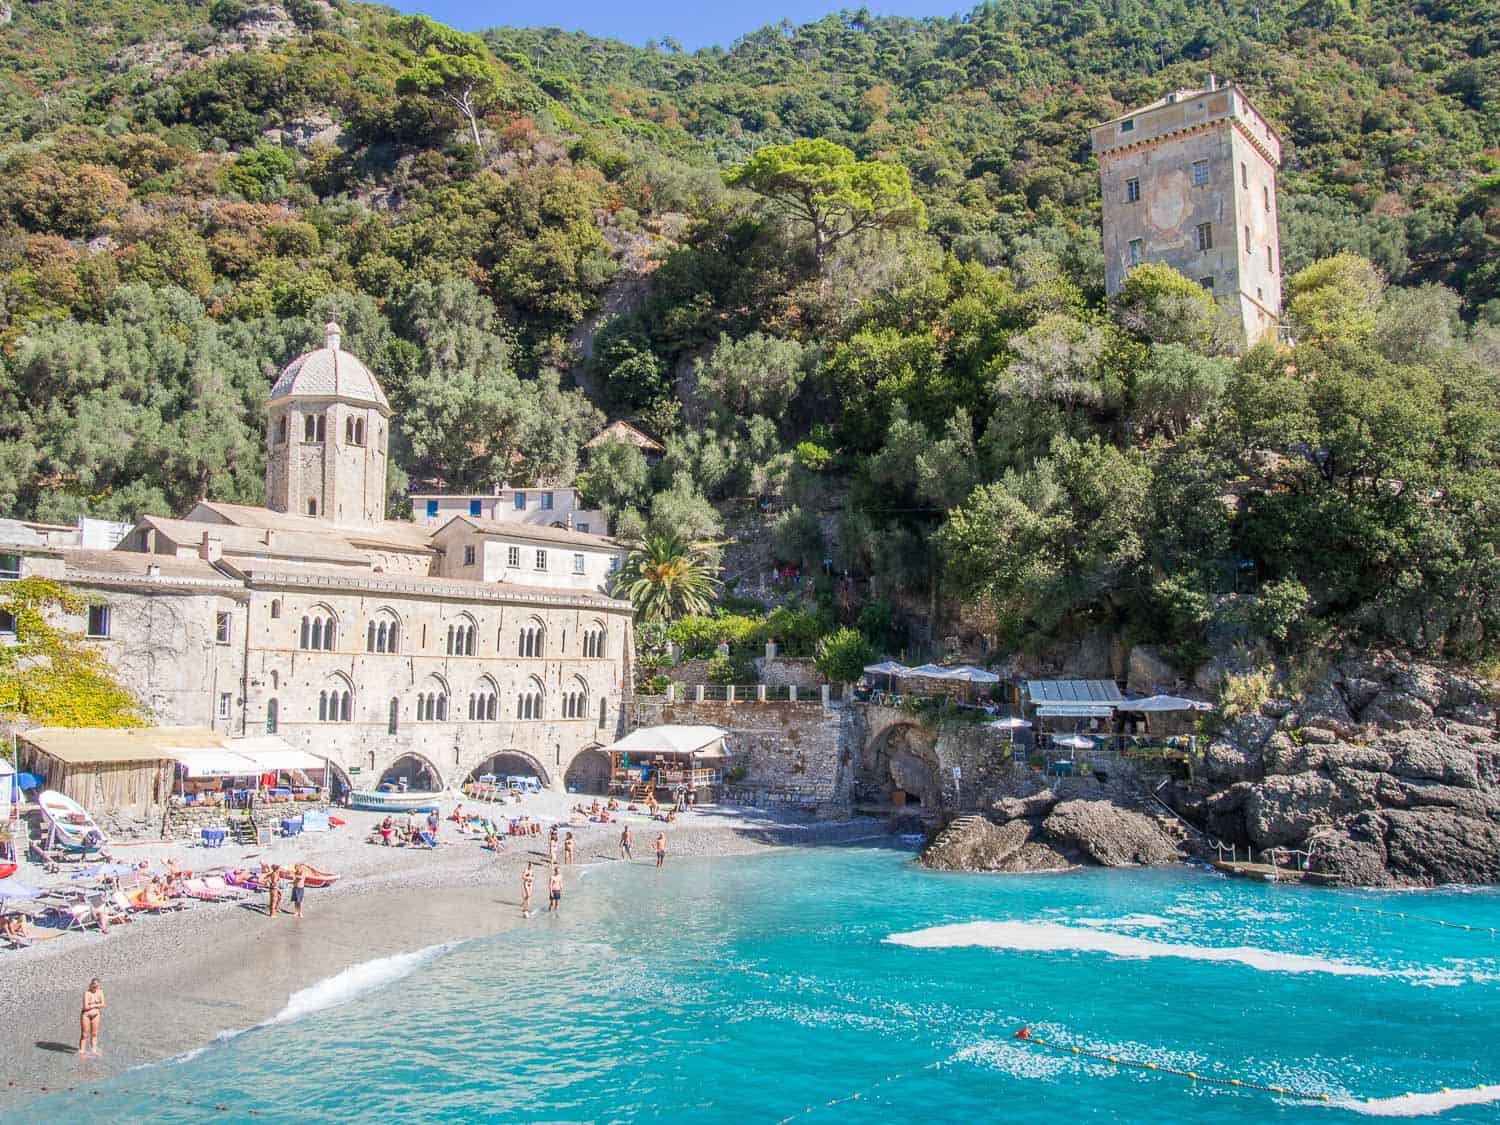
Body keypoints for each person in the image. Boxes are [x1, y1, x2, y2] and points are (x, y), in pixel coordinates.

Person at [79, 978, 105, 1057]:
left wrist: (93, 1005)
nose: (95, 987)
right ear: (91, 985)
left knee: (94, 1033)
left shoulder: (100, 992)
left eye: (97, 986)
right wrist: (97, 1005)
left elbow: (103, 1004)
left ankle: (93, 1050)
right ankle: (82, 1052)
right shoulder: (86, 993)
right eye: (94, 985)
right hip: (86, 1015)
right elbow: (86, 1007)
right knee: (84, 1034)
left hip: (96, 1015)